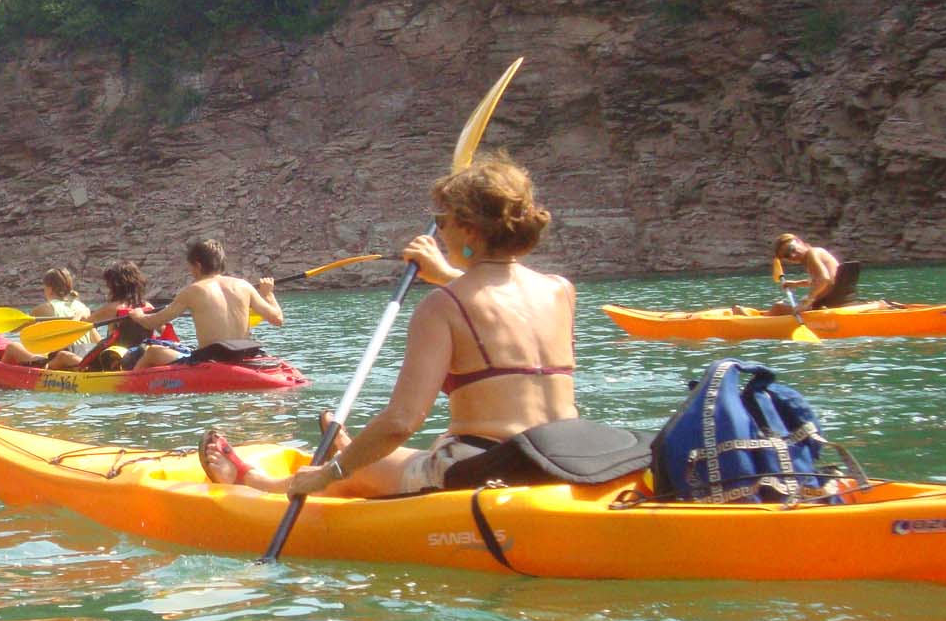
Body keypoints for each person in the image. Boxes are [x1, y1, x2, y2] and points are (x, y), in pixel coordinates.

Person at [197, 154, 576, 497]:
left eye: (443, 220)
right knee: (404, 456)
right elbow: (496, 309)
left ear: (471, 231)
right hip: (560, 458)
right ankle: (353, 451)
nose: (440, 231)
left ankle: (254, 480)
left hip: (486, 467)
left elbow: (400, 422)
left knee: (346, 476)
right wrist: (446, 273)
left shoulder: (442, 307)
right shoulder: (561, 291)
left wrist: (331, 474)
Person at [126, 239, 283, 370]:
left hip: (211, 358)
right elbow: (277, 319)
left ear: (198, 265)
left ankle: (129, 387)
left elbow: (153, 322)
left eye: (190, 266)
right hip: (245, 353)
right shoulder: (244, 285)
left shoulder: (193, 290)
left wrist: (138, 316)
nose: (190, 270)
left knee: (152, 352)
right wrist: (268, 294)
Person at [79, 261, 180, 370]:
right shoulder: (148, 307)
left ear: (114, 286)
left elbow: (84, 325)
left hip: (117, 359)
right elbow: (165, 331)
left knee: (66, 357)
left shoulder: (114, 308)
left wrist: (82, 314)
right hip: (141, 357)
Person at [0, 267, 99, 370]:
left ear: (49, 289)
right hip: (87, 354)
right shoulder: (82, 307)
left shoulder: (45, 308)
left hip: (62, 361)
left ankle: (0, 378)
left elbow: (14, 329)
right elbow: (97, 340)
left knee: (12, 347)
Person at [767, 233, 851, 313]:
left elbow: (824, 279)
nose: (792, 255)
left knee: (778, 308)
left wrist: (808, 299)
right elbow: (820, 280)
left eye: (791, 249)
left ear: (799, 241)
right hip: (831, 303)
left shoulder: (812, 253)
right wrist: (796, 283)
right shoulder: (815, 254)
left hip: (824, 306)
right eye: (786, 256)